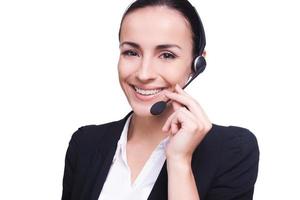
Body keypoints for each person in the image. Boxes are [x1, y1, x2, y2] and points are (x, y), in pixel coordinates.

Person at [61, 0, 259, 199]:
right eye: (131, 52)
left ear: (196, 64)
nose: (144, 74)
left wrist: (179, 162)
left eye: (166, 55)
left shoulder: (233, 151)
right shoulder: (85, 143)